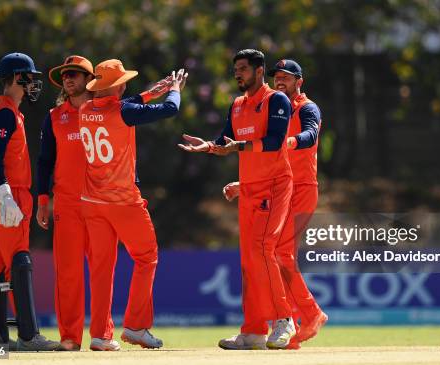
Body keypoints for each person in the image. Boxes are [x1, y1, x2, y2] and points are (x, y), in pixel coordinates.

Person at [179, 49, 296, 350]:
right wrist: (207, 146)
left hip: (274, 186)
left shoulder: (276, 100)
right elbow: (225, 140)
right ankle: (253, 331)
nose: (237, 74)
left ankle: (284, 319)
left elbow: (273, 143)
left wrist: (237, 147)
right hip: (250, 188)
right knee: (248, 260)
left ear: (259, 71)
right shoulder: (238, 104)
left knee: (262, 249)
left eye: (243, 68)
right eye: (236, 69)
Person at [79, 59, 187, 351]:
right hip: (123, 201)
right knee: (146, 257)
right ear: (117, 86)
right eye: (123, 81)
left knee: (101, 269)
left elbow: (124, 104)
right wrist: (174, 89)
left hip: (91, 202)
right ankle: (136, 327)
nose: (126, 84)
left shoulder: (85, 109)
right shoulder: (123, 111)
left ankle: (101, 336)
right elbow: (171, 109)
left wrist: (153, 91)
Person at [221, 59, 327, 350]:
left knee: (277, 252)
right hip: (276, 186)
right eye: (277, 77)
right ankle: (276, 324)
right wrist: (245, 185)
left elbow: (311, 135)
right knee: (264, 254)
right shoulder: (272, 107)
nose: (280, 81)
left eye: (287, 77)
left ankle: (307, 314)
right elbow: (266, 161)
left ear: (299, 81)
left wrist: (290, 141)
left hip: (301, 189)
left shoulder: (307, 107)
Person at [0, 52, 59, 351]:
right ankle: (29, 335)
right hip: (8, 194)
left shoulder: (9, 112)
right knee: (19, 261)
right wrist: (5, 195)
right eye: (29, 78)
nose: (32, 84)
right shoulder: (4, 113)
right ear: (17, 78)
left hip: (5, 194)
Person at [36, 55, 95, 351]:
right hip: (67, 204)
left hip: (101, 202)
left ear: (88, 79)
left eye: (75, 74)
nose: (69, 79)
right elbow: (45, 161)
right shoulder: (54, 116)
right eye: (65, 75)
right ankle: (70, 338)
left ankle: (102, 335)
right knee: (68, 273)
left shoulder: (103, 110)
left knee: (101, 271)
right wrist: (42, 200)